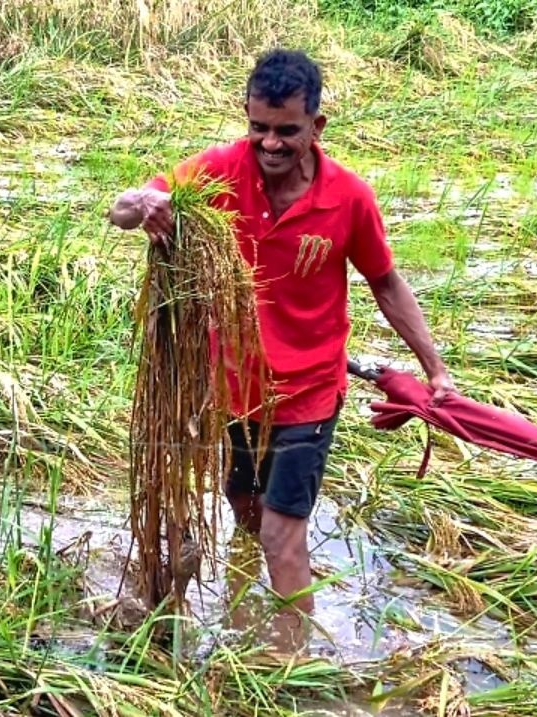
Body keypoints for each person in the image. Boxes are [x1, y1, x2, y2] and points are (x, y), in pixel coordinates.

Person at [107, 48, 453, 652]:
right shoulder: (217, 171)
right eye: (259, 127)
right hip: (233, 386)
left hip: (308, 393)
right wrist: (145, 203)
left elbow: (386, 283)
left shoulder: (348, 197)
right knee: (244, 504)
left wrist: (436, 369)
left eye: (287, 131)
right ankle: (248, 607)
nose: (270, 143)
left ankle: (292, 665)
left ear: (316, 126)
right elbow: (122, 211)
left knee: (281, 533)